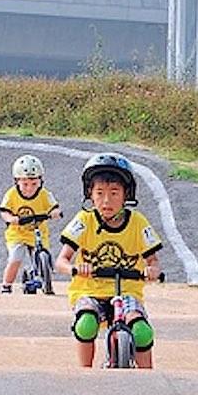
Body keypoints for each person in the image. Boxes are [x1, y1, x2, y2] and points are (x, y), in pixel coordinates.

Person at [55, 153, 162, 368]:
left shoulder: (138, 223)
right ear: (90, 195)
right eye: (100, 193)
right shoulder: (84, 221)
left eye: (114, 193)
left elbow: (154, 261)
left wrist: (152, 270)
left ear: (126, 195)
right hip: (89, 289)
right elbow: (61, 261)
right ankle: (85, 372)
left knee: (141, 331)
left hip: (127, 291)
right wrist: (76, 268)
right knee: (86, 324)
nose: (106, 201)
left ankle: (148, 378)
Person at [0, 154, 62, 294]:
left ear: (41, 181)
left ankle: (45, 278)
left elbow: (55, 207)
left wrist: (55, 212)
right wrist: (11, 219)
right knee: (15, 257)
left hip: (38, 232)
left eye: (34, 184)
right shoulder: (11, 195)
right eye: (25, 184)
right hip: (17, 233)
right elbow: (4, 212)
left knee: (45, 254)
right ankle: (6, 285)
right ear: (17, 182)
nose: (29, 188)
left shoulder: (44, 194)